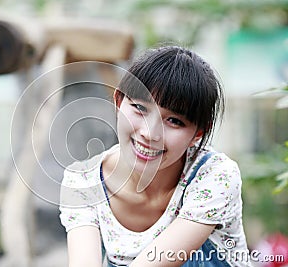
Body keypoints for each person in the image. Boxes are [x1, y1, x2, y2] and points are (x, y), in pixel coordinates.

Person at [59, 45, 251, 266]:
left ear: (198, 133)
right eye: (140, 108)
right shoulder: (83, 182)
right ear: (119, 101)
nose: (150, 134)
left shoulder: (214, 176)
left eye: (174, 121)